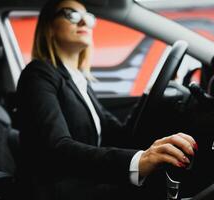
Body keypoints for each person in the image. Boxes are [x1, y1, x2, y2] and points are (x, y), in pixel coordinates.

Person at [15, 0, 198, 199]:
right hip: (57, 189)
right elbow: (56, 148)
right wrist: (138, 161)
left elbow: (121, 135)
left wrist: (150, 93)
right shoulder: (38, 74)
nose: (84, 23)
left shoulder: (79, 80)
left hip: (83, 181)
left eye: (88, 18)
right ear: (49, 27)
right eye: (71, 15)